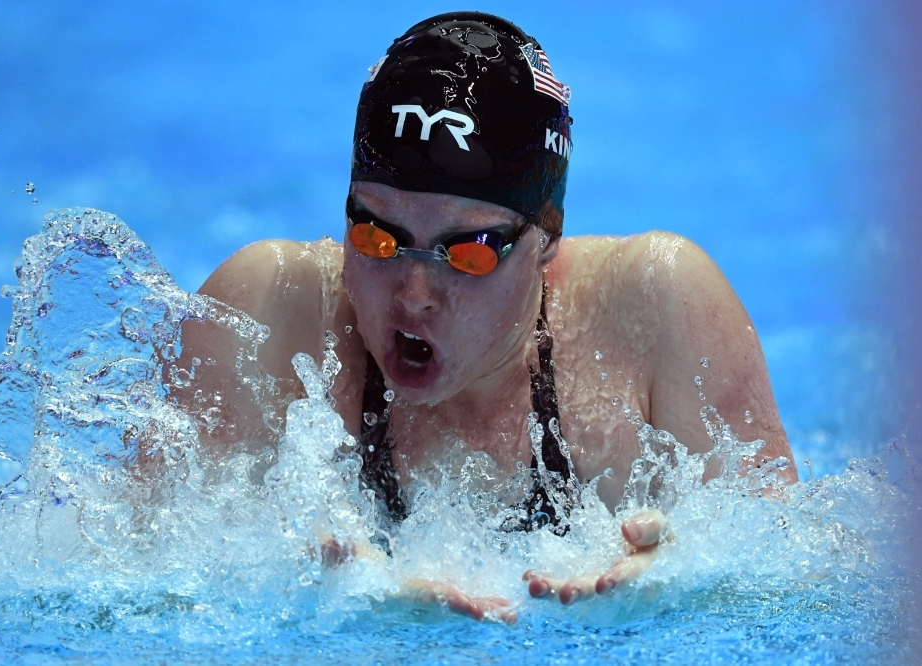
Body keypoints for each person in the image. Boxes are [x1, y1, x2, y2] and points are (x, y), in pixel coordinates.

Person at [177, 12, 796, 622]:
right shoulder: (267, 314)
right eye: (376, 238)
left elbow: (802, 574)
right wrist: (309, 590)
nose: (415, 294)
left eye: (467, 253)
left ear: (546, 238)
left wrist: (687, 575)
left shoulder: (656, 309)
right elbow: (119, 567)